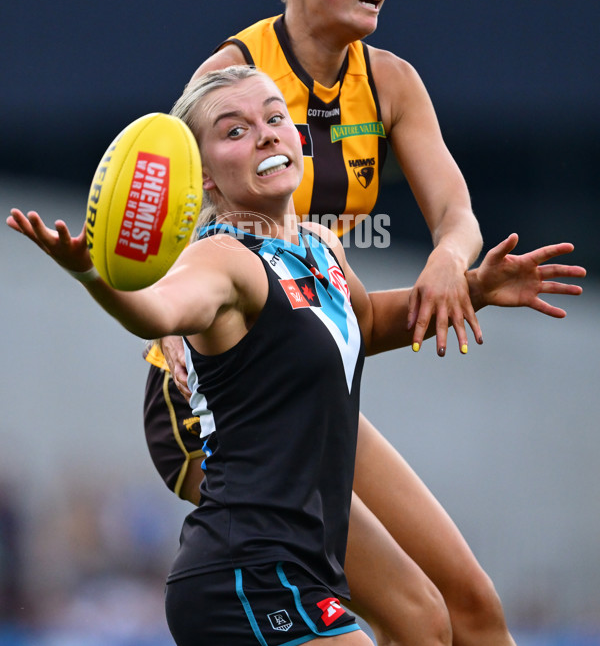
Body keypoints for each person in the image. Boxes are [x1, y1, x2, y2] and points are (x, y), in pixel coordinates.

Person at [7, 66, 586, 646]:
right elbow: (156, 311)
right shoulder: (223, 258)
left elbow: (365, 322)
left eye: (275, 118)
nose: (264, 134)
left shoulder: (319, 245)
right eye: (235, 131)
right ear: (202, 178)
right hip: (246, 578)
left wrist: (476, 291)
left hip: (299, 573)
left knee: (427, 626)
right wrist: (91, 273)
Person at [142, 0, 515, 644]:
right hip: (221, 402)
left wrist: (456, 264)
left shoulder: (391, 81)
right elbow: (169, 235)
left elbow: (457, 216)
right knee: (412, 615)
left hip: (309, 367)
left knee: (466, 609)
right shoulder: (228, 81)